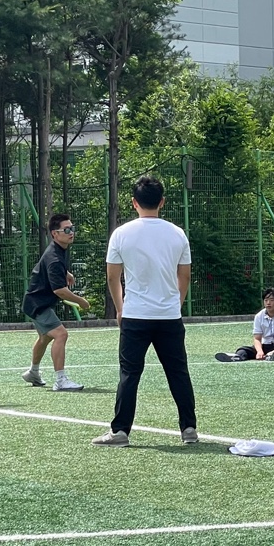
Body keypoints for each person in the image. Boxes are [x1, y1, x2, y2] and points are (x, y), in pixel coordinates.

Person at [92, 175, 198, 447]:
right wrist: (177, 303)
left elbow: (113, 277)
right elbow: (184, 276)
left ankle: (120, 432)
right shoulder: (177, 233)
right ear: (162, 202)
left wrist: (120, 308)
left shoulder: (121, 233)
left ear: (133, 203)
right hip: (169, 316)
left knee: (129, 374)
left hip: (135, 315)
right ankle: (189, 429)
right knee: (178, 373)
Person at [22, 213, 90, 391]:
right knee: (61, 334)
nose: (71, 232)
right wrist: (80, 301)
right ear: (54, 234)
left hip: (36, 302)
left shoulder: (61, 249)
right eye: (66, 230)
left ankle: (33, 372)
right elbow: (59, 290)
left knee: (45, 337)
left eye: (72, 228)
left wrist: (66, 273)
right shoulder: (54, 258)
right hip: (38, 305)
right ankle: (60, 380)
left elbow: (51, 269)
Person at [218, 287, 274, 362]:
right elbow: (257, 339)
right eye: (266, 300)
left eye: (271, 300)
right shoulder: (258, 316)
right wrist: (259, 351)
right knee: (243, 349)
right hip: (266, 345)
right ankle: (237, 357)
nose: (268, 303)